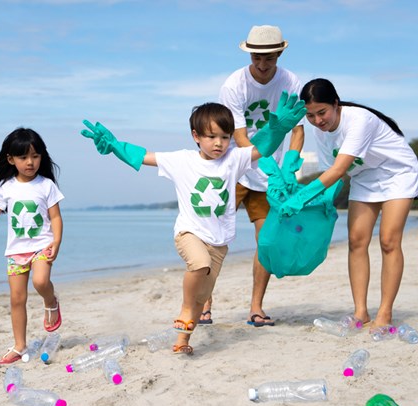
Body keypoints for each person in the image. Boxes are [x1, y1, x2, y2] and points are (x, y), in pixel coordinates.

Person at [81, 92, 305, 354]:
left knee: (201, 298)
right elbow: (143, 156)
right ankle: (187, 307)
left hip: (219, 243)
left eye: (224, 137)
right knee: (198, 266)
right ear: (196, 136)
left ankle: (182, 342)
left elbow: (262, 148)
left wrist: (278, 129)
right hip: (189, 233)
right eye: (211, 137)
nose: (219, 143)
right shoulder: (182, 160)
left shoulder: (234, 159)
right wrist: (115, 146)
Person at [289, 78, 418, 330]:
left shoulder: (359, 120)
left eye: (322, 112)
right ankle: (361, 312)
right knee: (356, 240)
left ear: (336, 104)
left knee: (388, 241)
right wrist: (317, 205)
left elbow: (338, 170)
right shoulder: (321, 132)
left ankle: (385, 312)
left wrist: (301, 197)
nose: (318, 120)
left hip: (397, 173)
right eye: (310, 115)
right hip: (364, 177)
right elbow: (331, 174)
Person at [206, 24, 305, 327]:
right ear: (249, 53)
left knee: (267, 242)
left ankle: (256, 308)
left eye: (269, 59)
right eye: (257, 59)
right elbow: (237, 135)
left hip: (269, 178)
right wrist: (263, 161)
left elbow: (298, 129)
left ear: (279, 54)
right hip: (233, 168)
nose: (262, 66)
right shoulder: (234, 85)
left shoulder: (291, 82)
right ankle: (203, 303)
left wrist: (289, 164)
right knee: (211, 236)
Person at [0, 127, 64, 364]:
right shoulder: (6, 187)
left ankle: (51, 302)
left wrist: (56, 240)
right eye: (23, 157)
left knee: (41, 282)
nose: (30, 162)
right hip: (16, 251)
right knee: (17, 299)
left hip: (42, 245)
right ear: (11, 160)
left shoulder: (46, 185)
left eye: (35, 156)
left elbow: (55, 217)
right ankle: (20, 346)